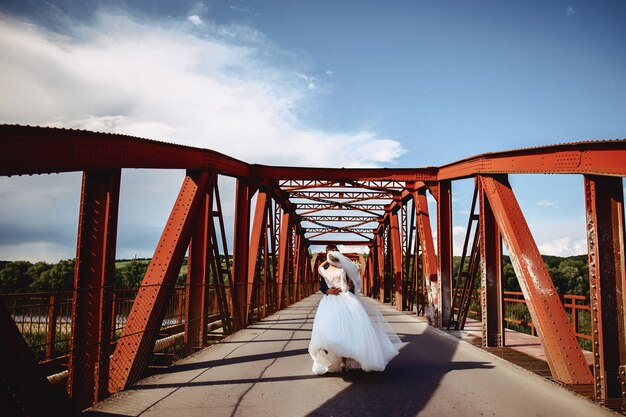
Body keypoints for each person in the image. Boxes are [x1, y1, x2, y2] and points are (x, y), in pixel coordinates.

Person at [308, 247, 401, 375]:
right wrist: (337, 288)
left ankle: (337, 360)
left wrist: (327, 261)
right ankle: (344, 362)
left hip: (329, 303)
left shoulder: (323, 270)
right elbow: (343, 287)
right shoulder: (341, 270)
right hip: (345, 299)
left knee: (331, 330)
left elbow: (319, 269)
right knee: (350, 331)